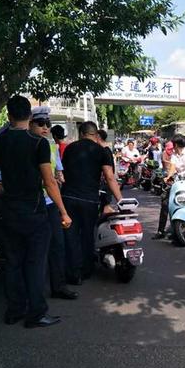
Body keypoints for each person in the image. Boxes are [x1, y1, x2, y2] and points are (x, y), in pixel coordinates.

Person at [0, 95, 71, 328]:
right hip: (34, 211)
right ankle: (35, 314)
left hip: (8, 211)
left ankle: (15, 310)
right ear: (30, 116)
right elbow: (49, 182)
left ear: (9, 115)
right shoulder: (38, 143)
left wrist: (6, 195)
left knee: (13, 261)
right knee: (35, 263)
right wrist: (63, 212)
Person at [62, 121, 123, 284]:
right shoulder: (101, 151)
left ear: (81, 133)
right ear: (95, 135)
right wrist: (121, 200)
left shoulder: (69, 148)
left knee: (71, 236)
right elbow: (110, 177)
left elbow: (63, 173)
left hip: (68, 197)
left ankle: (73, 273)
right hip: (89, 199)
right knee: (88, 234)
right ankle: (86, 270)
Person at [29, 106, 78, 301]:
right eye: (40, 124)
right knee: (34, 250)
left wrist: (59, 176)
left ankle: (58, 286)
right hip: (32, 203)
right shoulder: (25, 144)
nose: (45, 128)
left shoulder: (51, 146)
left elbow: (58, 174)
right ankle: (35, 294)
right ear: (30, 124)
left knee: (58, 244)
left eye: (48, 124)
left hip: (49, 202)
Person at [153, 135, 185, 240]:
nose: (172, 147)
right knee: (165, 202)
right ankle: (160, 231)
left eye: (173, 145)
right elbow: (172, 167)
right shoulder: (174, 155)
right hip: (176, 182)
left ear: (175, 145)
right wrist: (168, 177)